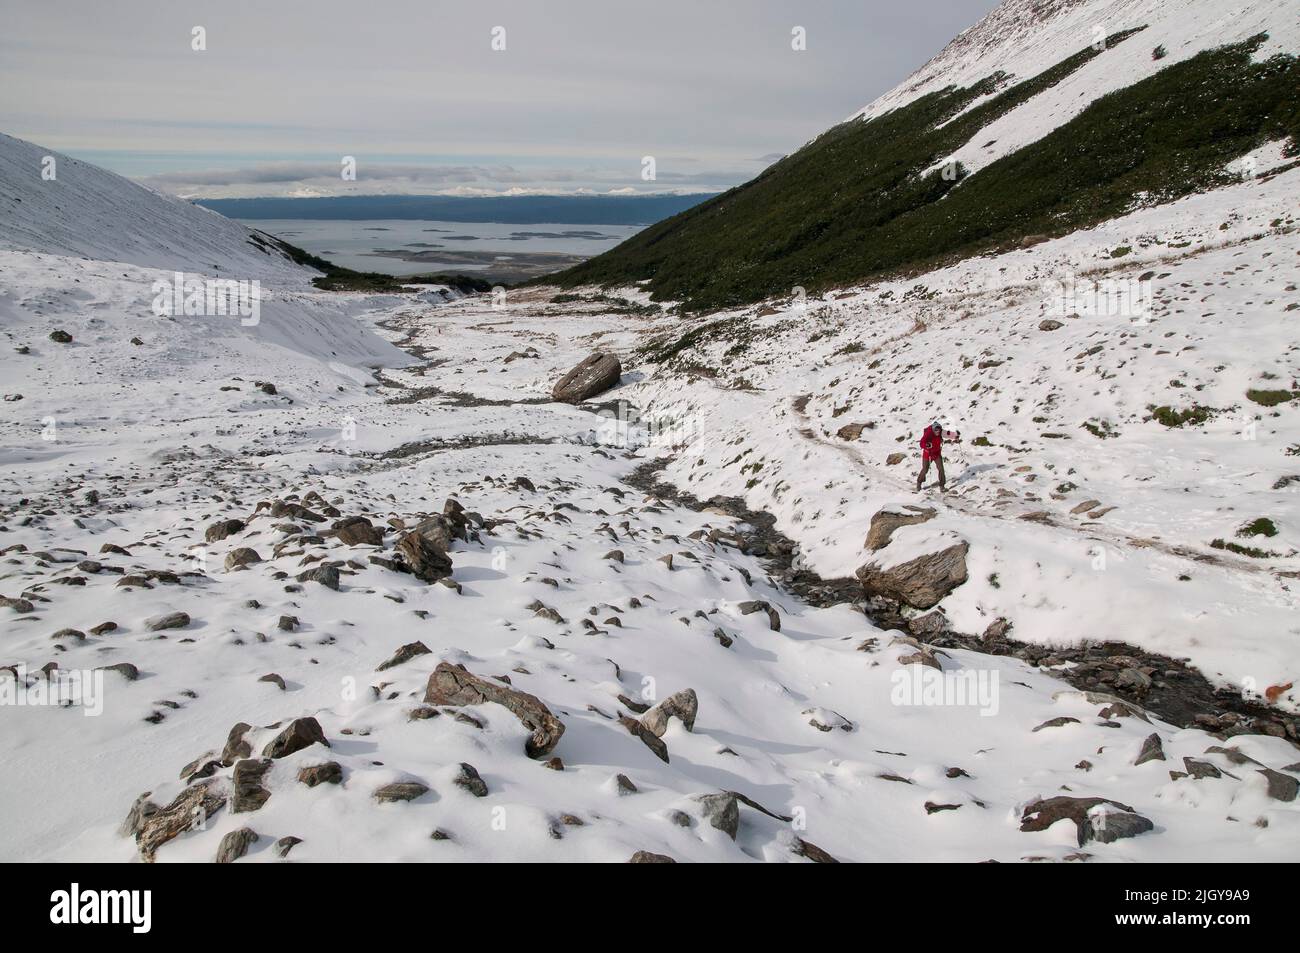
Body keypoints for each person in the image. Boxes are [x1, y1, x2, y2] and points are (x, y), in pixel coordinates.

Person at [916, 421, 959, 491]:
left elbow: (948, 434)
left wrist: (955, 435)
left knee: (941, 469)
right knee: (925, 469)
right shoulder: (928, 433)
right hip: (928, 454)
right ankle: (919, 482)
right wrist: (927, 445)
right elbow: (921, 443)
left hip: (937, 454)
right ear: (933, 430)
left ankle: (942, 486)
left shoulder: (941, 432)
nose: (938, 432)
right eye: (936, 430)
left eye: (939, 430)